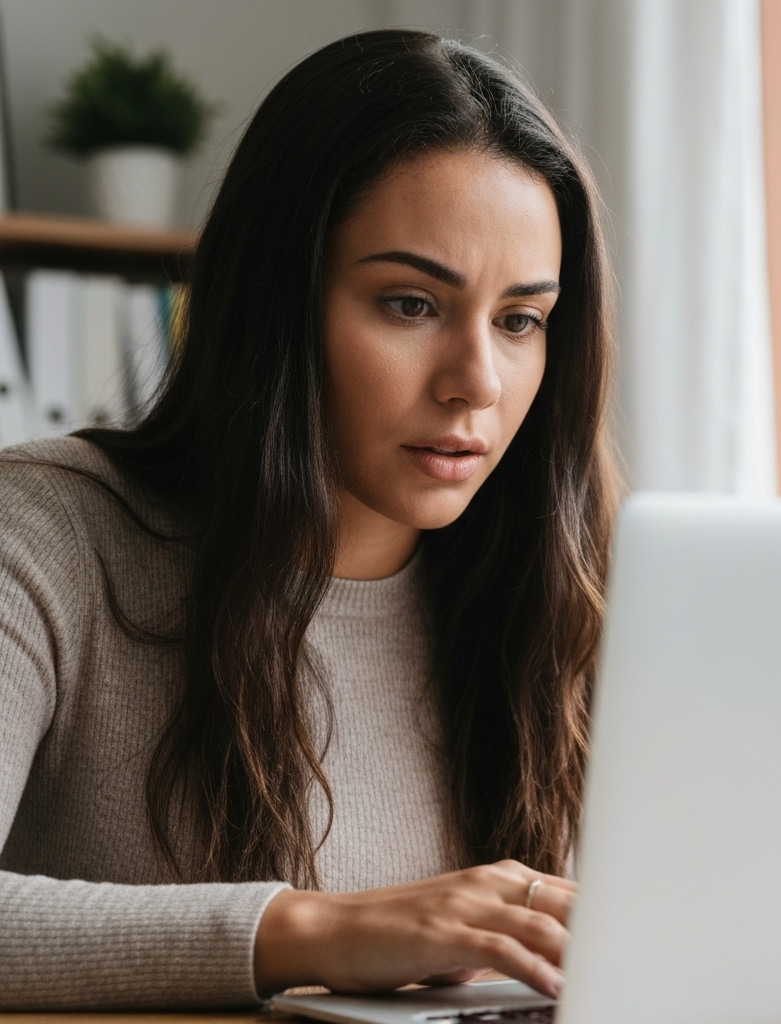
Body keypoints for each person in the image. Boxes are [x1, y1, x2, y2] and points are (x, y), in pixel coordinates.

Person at [0, 29, 617, 1009]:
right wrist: (318, 931)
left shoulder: (569, 596)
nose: (477, 383)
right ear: (276, 301)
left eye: (519, 320)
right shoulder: (48, 533)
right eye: (410, 303)